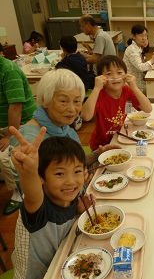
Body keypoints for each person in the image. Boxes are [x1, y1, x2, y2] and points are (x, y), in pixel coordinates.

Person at [6, 69, 121, 213]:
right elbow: (35, 198)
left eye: (77, 101)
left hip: (80, 201)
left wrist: (97, 154)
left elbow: (70, 166)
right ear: (44, 101)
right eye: (63, 101)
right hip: (55, 220)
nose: (72, 109)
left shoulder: (66, 129)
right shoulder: (30, 141)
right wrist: (75, 208)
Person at [9, 126, 95, 279]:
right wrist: (29, 171)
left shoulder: (69, 196)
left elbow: (62, 220)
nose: (70, 181)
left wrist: (77, 211)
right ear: (41, 177)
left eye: (77, 171)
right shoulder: (38, 205)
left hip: (60, 265)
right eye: (59, 174)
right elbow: (32, 194)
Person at [81, 55, 152, 150]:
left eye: (119, 73)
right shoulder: (99, 94)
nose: (115, 77)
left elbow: (148, 109)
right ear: (101, 77)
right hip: (101, 146)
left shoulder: (126, 90)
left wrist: (134, 87)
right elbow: (85, 116)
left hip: (120, 139)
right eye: (109, 73)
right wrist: (96, 88)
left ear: (126, 75)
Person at [0, 42, 37, 216]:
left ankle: (18, 192)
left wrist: (8, 136)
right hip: (3, 123)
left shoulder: (9, 70)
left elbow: (16, 108)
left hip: (21, 123)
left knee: (7, 156)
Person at [79, 15, 116, 88]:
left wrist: (78, 60)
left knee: (80, 83)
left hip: (102, 73)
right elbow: (96, 55)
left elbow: (94, 59)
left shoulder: (100, 37)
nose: (82, 29)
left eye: (82, 26)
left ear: (88, 25)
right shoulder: (101, 34)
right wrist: (83, 55)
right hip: (104, 69)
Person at [123, 24, 154, 94]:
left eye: (146, 36)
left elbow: (142, 63)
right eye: (141, 35)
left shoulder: (138, 48)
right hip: (132, 83)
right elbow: (141, 67)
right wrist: (152, 60)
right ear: (133, 36)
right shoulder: (132, 49)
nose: (144, 38)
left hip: (138, 79)